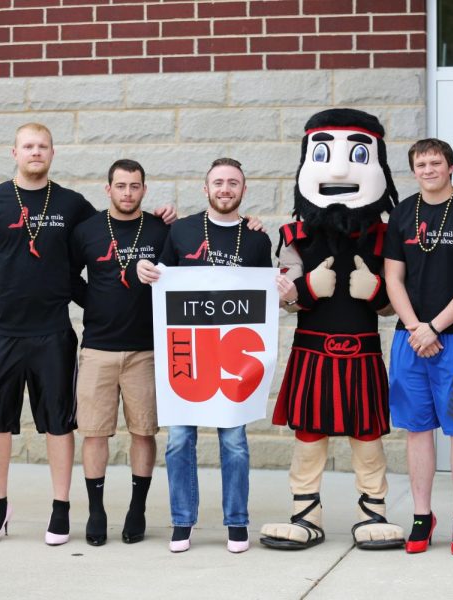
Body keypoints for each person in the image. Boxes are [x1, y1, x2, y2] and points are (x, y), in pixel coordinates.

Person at [261, 108, 405, 551]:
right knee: (308, 433)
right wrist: (305, 288)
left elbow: (392, 302)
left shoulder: (385, 234)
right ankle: (306, 514)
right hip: (311, 349)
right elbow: (283, 294)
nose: (339, 168)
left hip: (362, 350)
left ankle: (373, 512)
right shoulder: (294, 233)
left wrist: (376, 290)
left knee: (367, 433)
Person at [0, 122, 97, 546]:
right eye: (27, 146)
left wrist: (158, 220)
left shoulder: (73, 205)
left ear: (53, 153)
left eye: (42, 146)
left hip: (53, 331)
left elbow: (114, 233)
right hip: (1, 331)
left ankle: (61, 510)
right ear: (14, 152)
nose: (35, 152)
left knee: (59, 423)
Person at [137, 158, 272, 554]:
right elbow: (163, 275)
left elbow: (263, 294)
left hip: (233, 358)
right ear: (205, 188)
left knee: (235, 443)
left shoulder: (257, 238)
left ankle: (236, 522)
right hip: (189, 356)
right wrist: (147, 270)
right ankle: (182, 521)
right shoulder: (182, 230)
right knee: (179, 441)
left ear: (243, 190)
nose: (225, 189)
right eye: (218, 182)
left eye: (233, 183)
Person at [384, 138, 453, 556]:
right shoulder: (402, 213)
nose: (428, 169)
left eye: (436, 162)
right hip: (409, 337)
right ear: (414, 169)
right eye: (421, 163)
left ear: (451, 167)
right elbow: (393, 278)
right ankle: (421, 514)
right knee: (417, 429)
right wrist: (416, 327)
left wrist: (435, 327)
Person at [70, 159, 170, 546]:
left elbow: (185, 266)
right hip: (97, 349)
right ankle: (96, 511)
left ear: (145, 189)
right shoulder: (87, 231)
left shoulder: (161, 229)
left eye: (135, 186)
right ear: (108, 188)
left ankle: (137, 508)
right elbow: (68, 275)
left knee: (144, 432)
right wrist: (93, 301)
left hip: (145, 349)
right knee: (95, 434)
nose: (128, 192)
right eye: (121, 185)